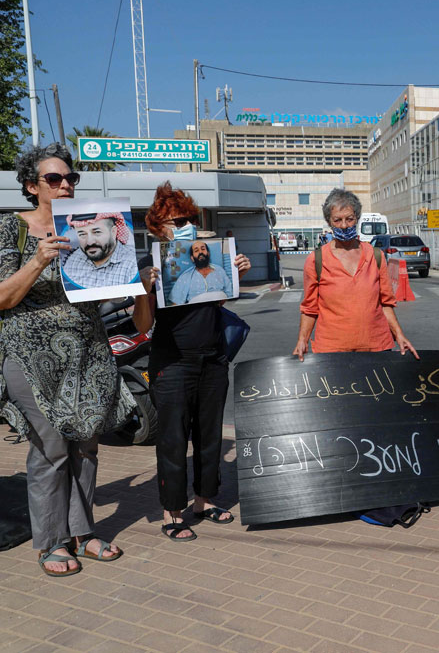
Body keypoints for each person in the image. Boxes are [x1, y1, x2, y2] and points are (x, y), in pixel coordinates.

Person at [0, 144, 135, 575]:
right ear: (31, 186)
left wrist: (136, 275)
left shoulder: (88, 225)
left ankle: (84, 532)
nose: (65, 185)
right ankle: (52, 541)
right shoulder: (11, 229)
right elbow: (3, 297)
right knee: (52, 449)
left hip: (89, 349)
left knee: (87, 446)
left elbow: (104, 287)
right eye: (54, 179)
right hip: (31, 355)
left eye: (70, 178)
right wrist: (38, 261)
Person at [134, 182, 252, 542]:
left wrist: (236, 278)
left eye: (186, 219)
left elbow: (217, 304)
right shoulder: (150, 265)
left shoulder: (212, 261)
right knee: (172, 438)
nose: (181, 226)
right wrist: (144, 288)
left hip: (213, 358)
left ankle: (203, 500)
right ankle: (172, 511)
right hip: (172, 361)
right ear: (157, 226)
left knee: (209, 434)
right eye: (172, 221)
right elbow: (142, 325)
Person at [293, 189, 417, 360]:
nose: (344, 225)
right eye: (337, 220)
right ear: (329, 222)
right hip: (332, 351)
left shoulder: (376, 255)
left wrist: (399, 335)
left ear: (357, 218)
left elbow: (386, 303)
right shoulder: (316, 260)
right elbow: (309, 308)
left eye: (349, 219)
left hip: (377, 348)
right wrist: (302, 340)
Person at [61, 212, 139, 288]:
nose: (90, 242)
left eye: (97, 232)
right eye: (82, 234)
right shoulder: (73, 261)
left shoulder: (132, 264)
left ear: (113, 232)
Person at [169, 240, 233, 305]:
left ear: (208, 253)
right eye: (196, 251)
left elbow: (230, 293)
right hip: (197, 312)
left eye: (203, 249)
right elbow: (175, 303)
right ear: (192, 258)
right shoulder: (185, 276)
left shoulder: (220, 271)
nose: (200, 252)